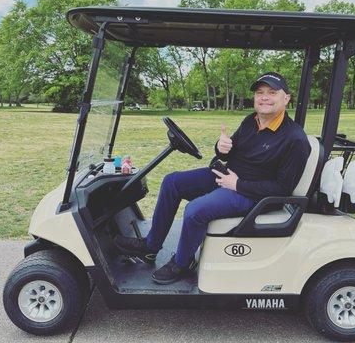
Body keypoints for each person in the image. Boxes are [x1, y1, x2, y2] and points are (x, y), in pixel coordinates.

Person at [114, 72, 311, 284]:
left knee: (195, 210)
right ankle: (151, 246)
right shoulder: (251, 121)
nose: (264, 97)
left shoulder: (294, 139)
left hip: (253, 194)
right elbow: (229, 153)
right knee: (172, 181)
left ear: (286, 98)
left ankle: (183, 263)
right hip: (229, 178)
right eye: (260, 92)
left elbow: (282, 188)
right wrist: (222, 148)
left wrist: (237, 185)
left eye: (272, 93)